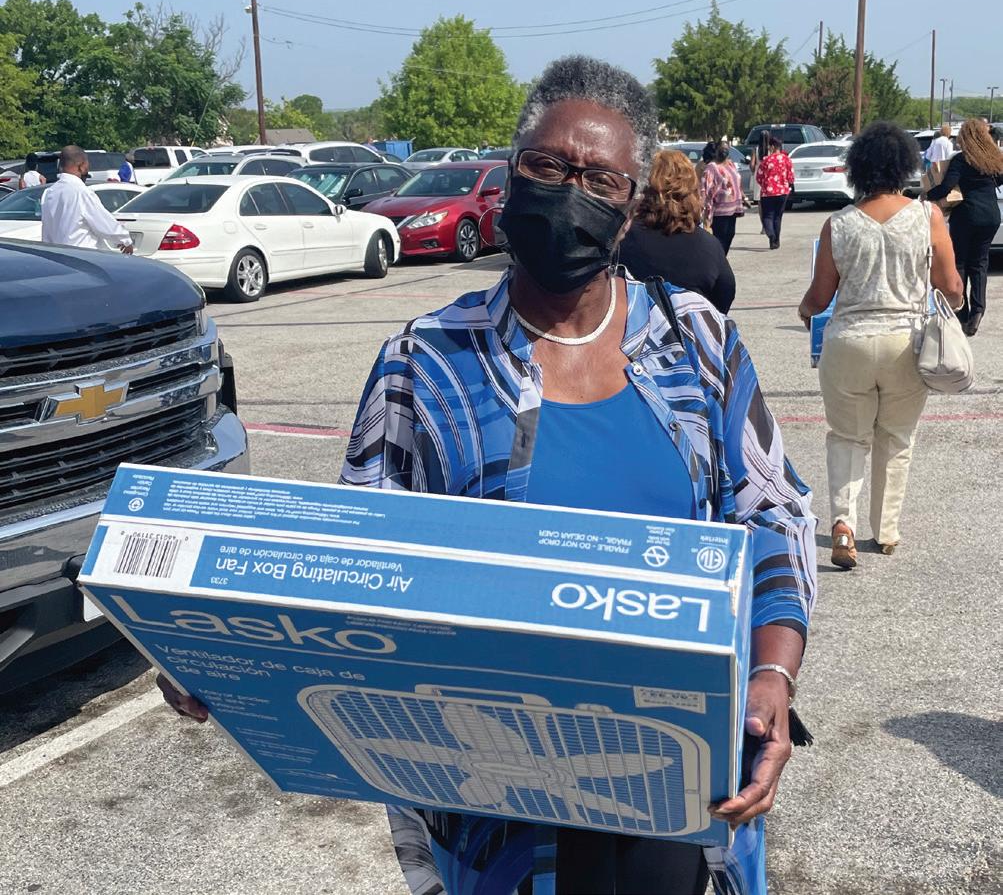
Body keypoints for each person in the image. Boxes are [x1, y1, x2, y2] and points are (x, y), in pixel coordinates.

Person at [158, 56, 817, 895]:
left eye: (600, 179)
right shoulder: (423, 363)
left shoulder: (695, 342)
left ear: (628, 209)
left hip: (680, 790)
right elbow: (354, 560)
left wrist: (770, 673)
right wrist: (221, 650)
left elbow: (772, 512)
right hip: (493, 805)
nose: (570, 192)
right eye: (547, 165)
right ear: (510, 175)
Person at [797, 122, 963, 569]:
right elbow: (951, 286)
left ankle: (843, 524)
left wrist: (804, 310)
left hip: (849, 342)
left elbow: (820, 297)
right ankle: (886, 531)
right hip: (905, 342)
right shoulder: (927, 216)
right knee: (896, 437)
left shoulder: (839, 223)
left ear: (858, 168)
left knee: (847, 436)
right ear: (904, 165)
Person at [620, 149, 736, 312]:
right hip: (690, 323)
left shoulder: (622, 237)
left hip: (633, 322)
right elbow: (726, 291)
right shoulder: (708, 245)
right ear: (691, 191)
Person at [926, 117, 1003, 336]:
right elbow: (1000, 179)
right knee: (979, 263)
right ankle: (978, 311)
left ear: (964, 137)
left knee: (960, 261)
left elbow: (946, 187)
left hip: (966, 215)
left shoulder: (961, 160)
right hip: (991, 216)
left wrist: (927, 195)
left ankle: (962, 312)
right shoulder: (993, 159)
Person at [40, 145, 134, 253]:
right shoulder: (81, 192)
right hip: (82, 254)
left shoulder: (49, 193)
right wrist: (125, 240)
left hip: (57, 255)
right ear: (81, 166)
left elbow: (46, 231)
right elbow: (102, 221)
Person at [701, 140, 744, 254]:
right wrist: (704, 209)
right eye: (722, 149)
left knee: (730, 235)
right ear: (716, 151)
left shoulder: (730, 164)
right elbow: (705, 188)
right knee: (720, 238)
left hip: (733, 208)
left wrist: (743, 196)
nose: (724, 151)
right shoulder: (712, 167)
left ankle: (721, 258)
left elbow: (737, 181)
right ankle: (719, 260)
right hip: (720, 210)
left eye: (726, 149)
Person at [755, 138, 794, 250]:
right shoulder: (786, 160)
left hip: (768, 193)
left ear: (772, 147)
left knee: (767, 216)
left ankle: (771, 235)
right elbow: (791, 177)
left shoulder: (766, 160)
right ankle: (776, 241)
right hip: (782, 192)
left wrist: (765, 185)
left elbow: (759, 177)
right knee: (778, 217)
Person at [749, 132, 771, 234]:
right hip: (770, 177)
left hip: (758, 177)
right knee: (769, 203)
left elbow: (752, 165)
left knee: (760, 204)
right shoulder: (771, 150)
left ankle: (764, 227)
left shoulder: (756, 149)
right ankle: (769, 225)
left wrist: (755, 169)